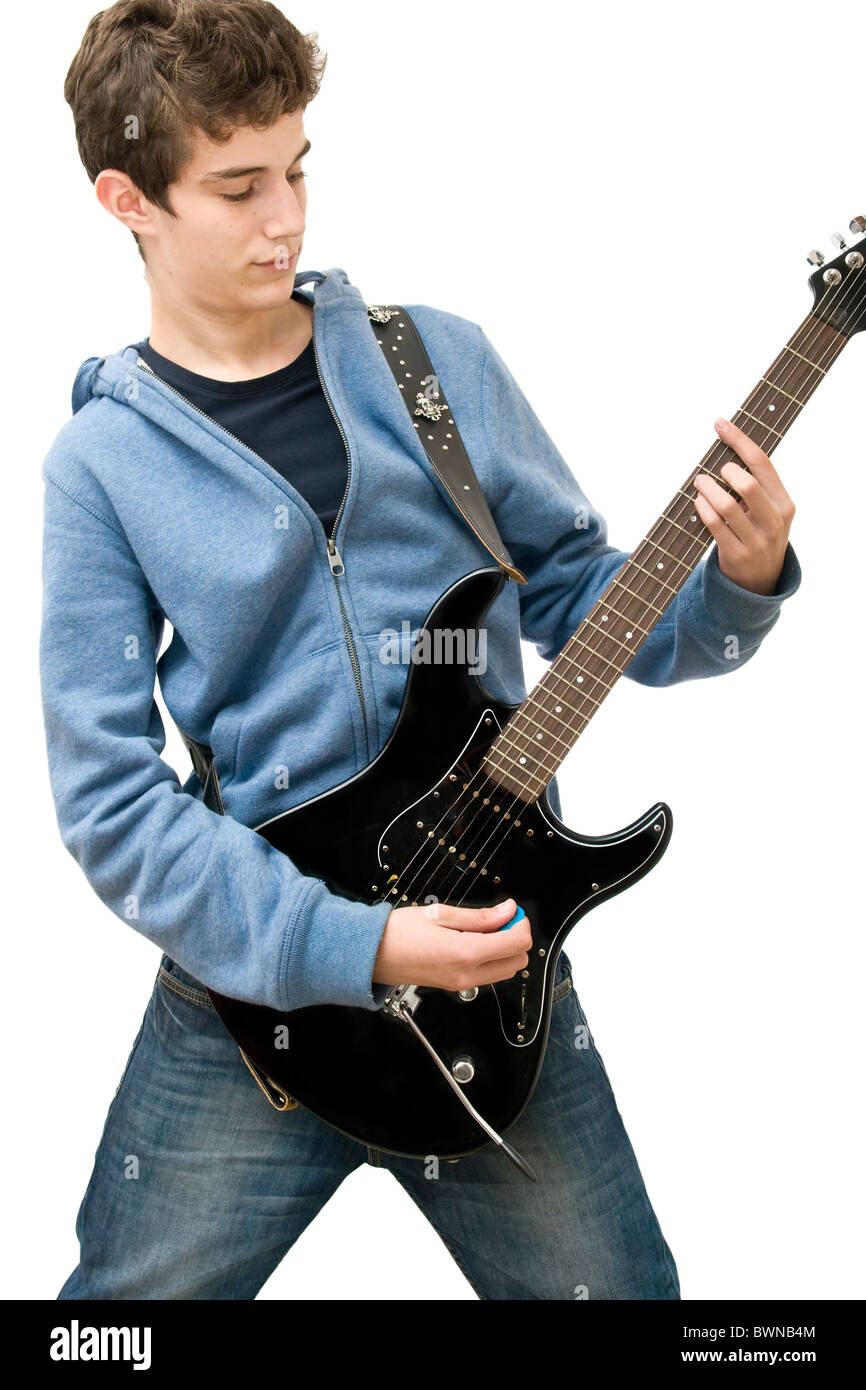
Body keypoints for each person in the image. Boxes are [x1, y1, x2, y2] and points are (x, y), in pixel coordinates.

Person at [43, 0, 799, 1301]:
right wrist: (358, 945)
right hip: (249, 1005)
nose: (286, 217)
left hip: (496, 963)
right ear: (128, 199)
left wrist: (736, 581)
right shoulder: (102, 465)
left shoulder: (431, 364)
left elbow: (576, 592)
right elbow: (110, 802)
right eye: (238, 187)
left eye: (298, 167)